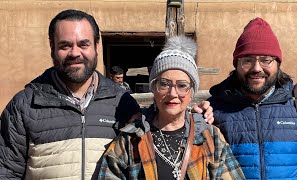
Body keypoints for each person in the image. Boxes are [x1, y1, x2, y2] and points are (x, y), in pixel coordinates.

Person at [0, 9, 213, 179]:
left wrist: (195, 114)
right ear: (52, 46)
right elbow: (6, 172)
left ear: (96, 46)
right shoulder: (25, 106)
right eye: (65, 45)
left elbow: (160, 122)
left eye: (83, 44)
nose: (75, 53)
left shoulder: (121, 103)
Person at [98, 35, 245, 179]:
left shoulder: (210, 137)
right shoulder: (130, 140)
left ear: (192, 92)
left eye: (182, 85)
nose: (172, 93)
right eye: (164, 84)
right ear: (153, 88)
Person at [208, 17, 297, 179]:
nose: (256, 68)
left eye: (266, 60)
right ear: (236, 64)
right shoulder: (216, 108)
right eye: (247, 60)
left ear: (278, 63)